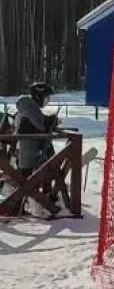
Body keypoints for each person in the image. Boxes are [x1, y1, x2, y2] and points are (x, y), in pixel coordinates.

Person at [13, 82, 58, 214]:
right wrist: (45, 127)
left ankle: (23, 206)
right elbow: (28, 127)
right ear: (38, 96)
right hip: (28, 153)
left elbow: (37, 121)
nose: (47, 101)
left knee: (28, 180)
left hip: (28, 151)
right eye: (46, 97)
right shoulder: (30, 109)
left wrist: (49, 120)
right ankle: (16, 208)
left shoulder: (30, 108)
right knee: (26, 181)